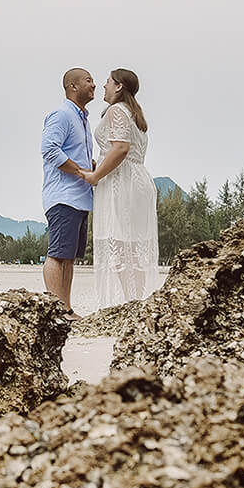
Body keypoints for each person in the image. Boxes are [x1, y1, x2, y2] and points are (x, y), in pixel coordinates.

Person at [83, 67, 158, 309]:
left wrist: (96, 175)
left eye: (107, 82)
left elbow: (120, 148)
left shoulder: (116, 110)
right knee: (134, 247)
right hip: (138, 180)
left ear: (118, 87)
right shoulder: (136, 113)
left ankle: (130, 303)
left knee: (121, 243)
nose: (102, 86)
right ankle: (136, 300)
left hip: (122, 183)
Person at [40, 67, 96, 313]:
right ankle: (55, 310)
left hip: (81, 198)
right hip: (64, 196)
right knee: (57, 254)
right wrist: (81, 172)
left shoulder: (83, 119)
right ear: (73, 86)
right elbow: (49, 149)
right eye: (88, 80)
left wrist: (92, 166)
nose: (93, 85)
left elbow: (76, 155)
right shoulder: (61, 114)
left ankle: (66, 309)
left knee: (69, 257)